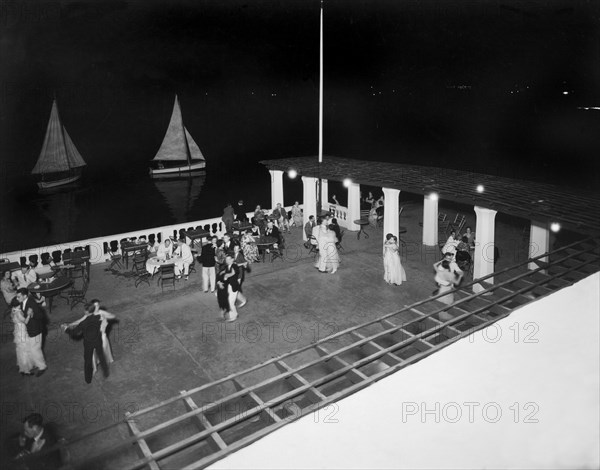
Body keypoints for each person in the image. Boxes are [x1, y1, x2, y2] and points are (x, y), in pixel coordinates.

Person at [61, 303, 108, 384]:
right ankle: (106, 372)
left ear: (86, 312)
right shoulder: (99, 317)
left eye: (85, 310)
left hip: (88, 343)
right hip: (98, 340)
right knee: (101, 356)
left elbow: (74, 332)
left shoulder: (84, 322)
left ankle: (88, 379)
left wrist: (66, 329)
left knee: (88, 361)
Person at [15, 288, 47, 377]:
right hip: (30, 329)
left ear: (25, 296)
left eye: (19, 297)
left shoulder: (31, 303)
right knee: (34, 349)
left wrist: (32, 314)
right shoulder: (23, 302)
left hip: (36, 330)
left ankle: (42, 367)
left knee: (35, 349)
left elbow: (41, 316)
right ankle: (39, 364)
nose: (17, 298)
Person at [10, 298, 34, 376]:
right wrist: (29, 314)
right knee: (25, 350)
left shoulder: (13, 310)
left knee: (20, 350)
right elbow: (25, 321)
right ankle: (26, 370)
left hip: (17, 331)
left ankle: (22, 368)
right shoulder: (18, 312)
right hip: (22, 332)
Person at [222, 255, 243, 322]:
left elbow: (233, 273)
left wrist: (226, 275)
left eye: (229, 259)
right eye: (226, 260)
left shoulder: (234, 266)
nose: (227, 261)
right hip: (229, 286)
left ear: (232, 259)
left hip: (234, 287)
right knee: (228, 301)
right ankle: (232, 313)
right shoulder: (226, 267)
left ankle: (234, 316)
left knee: (231, 302)